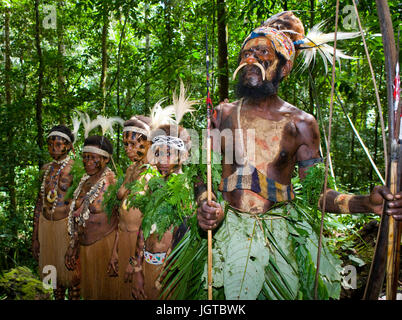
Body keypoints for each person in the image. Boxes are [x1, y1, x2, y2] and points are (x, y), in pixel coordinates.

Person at [195, 11, 402, 299]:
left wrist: (366, 203)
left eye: (262, 51)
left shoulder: (302, 124)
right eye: (246, 52)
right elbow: (200, 175)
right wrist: (205, 203)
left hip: (280, 238)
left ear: (284, 67)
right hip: (225, 234)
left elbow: (320, 195)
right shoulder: (223, 114)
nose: (251, 58)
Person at [131, 83, 196, 300]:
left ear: (183, 156)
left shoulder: (187, 191)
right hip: (148, 266)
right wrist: (138, 269)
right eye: (158, 153)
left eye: (170, 154)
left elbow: (183, 236)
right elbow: (143, 228)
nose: (162, 160)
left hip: (170, 275)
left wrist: (168, 272)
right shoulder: (153, 185)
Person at [65, 135, 119, 300]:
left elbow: (121, 222)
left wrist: (116, 253)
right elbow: (78, 218)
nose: (88, 161)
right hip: (84, 249)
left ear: (105, 159)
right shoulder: (84, 181)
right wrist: (73, 245)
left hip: (104, 246)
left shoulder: (112, 183)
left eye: (93, 157)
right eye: (85, 157)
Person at [32, 124, 80, 300]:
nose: (54, 148)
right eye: (50, 144)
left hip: (65, 229)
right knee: (52, 279)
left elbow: (79, 205)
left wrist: (75, 239)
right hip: (46, 229)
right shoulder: (45, 169)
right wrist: (35, 237)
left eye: (58, 144)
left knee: (73, 278)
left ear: (68, 146)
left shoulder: (77, 168)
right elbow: (39, 203)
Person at [107, 115, 152, 299]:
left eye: (133, 144)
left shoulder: (156, 173)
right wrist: (115, 250)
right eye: (125, 144)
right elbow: (121, 214)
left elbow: (149, 225)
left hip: (140, 246)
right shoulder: (130, 169)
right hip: (123, 238)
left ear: (148, 144)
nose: (128, 149)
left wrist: (135, 262)